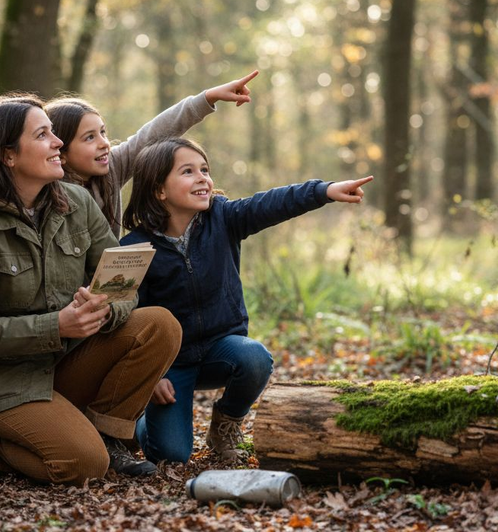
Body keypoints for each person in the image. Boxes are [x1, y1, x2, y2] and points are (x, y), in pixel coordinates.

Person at [0, 95, 181, 486]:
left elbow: (124, 285)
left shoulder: (79, 202)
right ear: (8, 156)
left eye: (54, 133)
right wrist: (58, 325)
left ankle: (107, 435)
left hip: (63, 367)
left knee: (159, 324)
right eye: (43, 135)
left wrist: (102, 310)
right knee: (82, 464)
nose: (58, 144)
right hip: (0, 385)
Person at [120, 138, 374, 464]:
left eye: (205, 169)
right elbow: (127, 319)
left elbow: (271, 203)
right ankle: (138, 426)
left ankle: (225, 424)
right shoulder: (134, 248)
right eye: (188, 171)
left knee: (255, 357)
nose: (202, 178)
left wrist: (323, 191)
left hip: (220, 350)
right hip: (171, 365)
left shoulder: (223, 218)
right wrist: (150, 376)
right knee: (170, 455)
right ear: (159, 191)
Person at [46, 70, 258, 236]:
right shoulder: (45, 190)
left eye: (103, 132)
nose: (104, 144)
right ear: (59, 150)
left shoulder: (112, 169)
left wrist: (207, 98)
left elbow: (152, 134)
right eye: (90, 137)